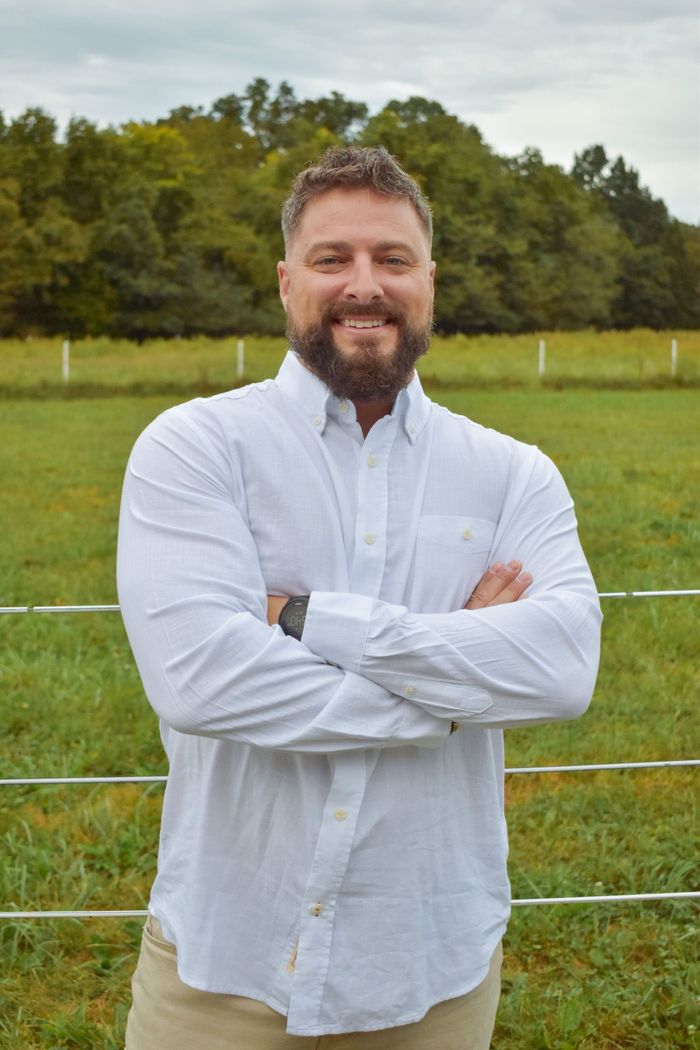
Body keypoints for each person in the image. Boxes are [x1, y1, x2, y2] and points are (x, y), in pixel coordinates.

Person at [117, 146, 601, 1049]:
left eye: (393, 259)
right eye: (332, 259)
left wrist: (304, 620)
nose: (364, 285)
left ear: (429, 280)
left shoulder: (512, 475)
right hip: (222, 977)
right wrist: (461, 672)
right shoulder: (195, 448)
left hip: (431, 976)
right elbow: (202, 683)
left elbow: (564, 670)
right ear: (285, 280)